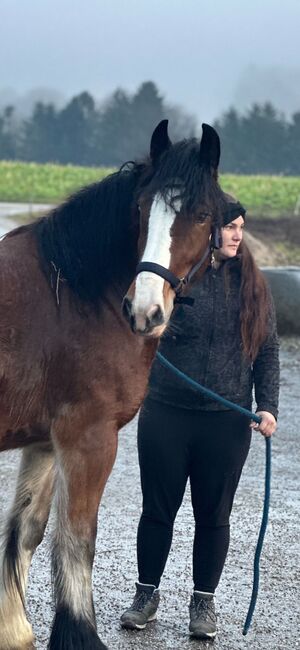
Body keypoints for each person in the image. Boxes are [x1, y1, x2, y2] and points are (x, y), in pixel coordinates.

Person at [120, 195, 280, 640]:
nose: (236, 235)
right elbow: (143, 323)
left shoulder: (252, 285)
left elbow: (266, 350)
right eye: (230, 226)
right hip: (167, 413)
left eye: (241, 228)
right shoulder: (178, 280)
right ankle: (146, 595)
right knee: (157, 511)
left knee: (214, 516)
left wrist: (267, 406)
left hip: (225, 421)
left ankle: (202, 602)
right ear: (208, 231)